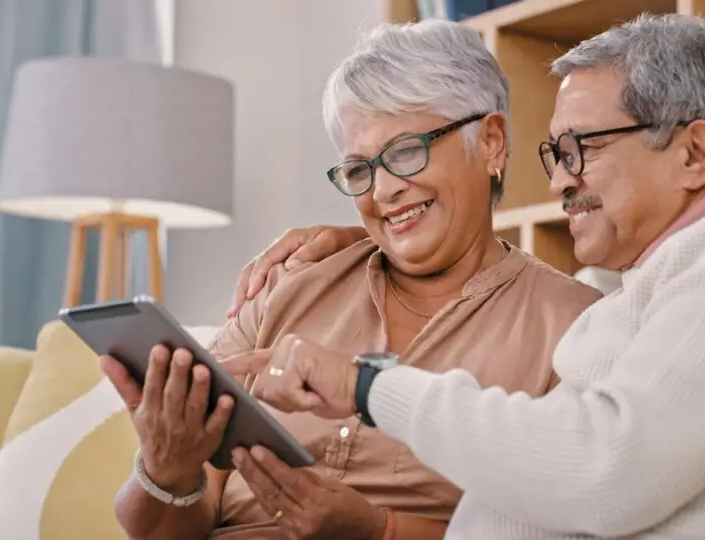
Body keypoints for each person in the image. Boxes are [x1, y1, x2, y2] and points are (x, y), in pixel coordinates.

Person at [227, 13, 705, 540]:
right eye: (557, 154)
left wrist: (366, 385)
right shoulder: (636, 302)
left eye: (580, 150)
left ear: (693, 153)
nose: (561, 179)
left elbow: (605, 470)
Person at [101, 19, 602, 540]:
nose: (383, 191)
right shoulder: (289, 285)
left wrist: (376, 530)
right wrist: (167, 470)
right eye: (359, 170)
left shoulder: (572, 328)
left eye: (407, 152)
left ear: (491, 142)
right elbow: (162, 528)